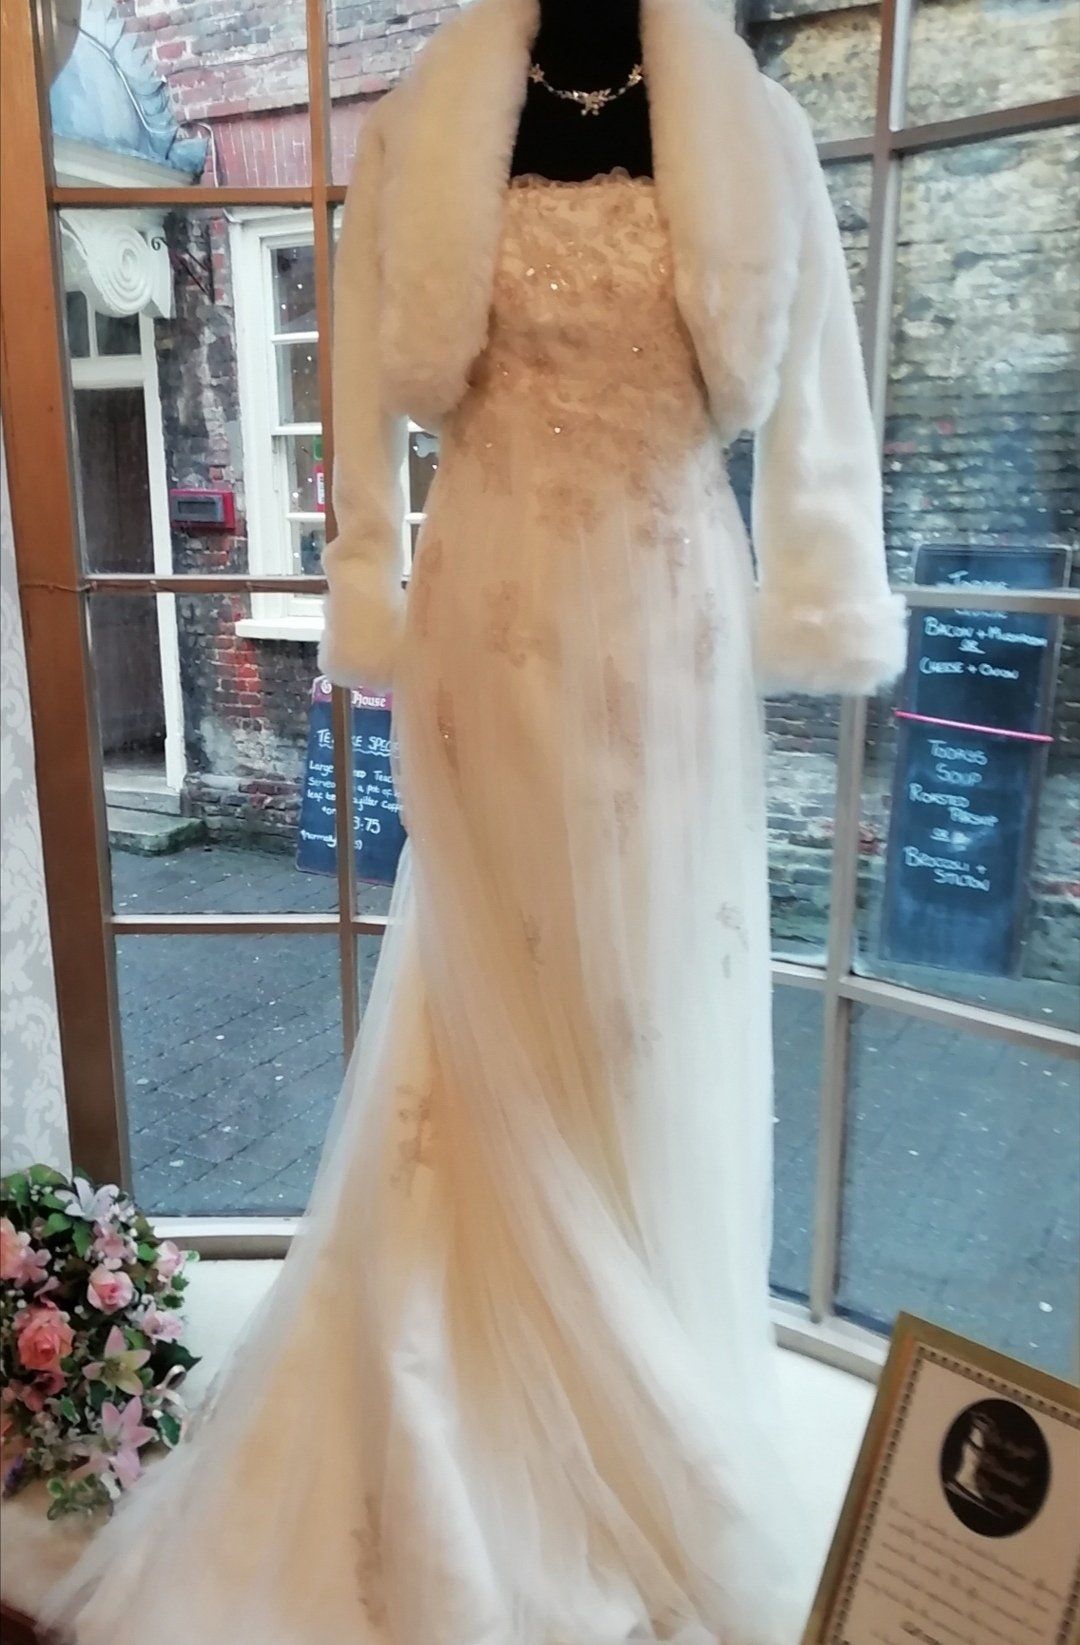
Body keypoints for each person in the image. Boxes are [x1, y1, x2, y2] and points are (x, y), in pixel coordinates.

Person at [39, 0, 907, 1639]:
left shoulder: (749, 125)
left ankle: (640, 1366)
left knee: (643, 1010)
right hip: (489, 612)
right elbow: (365, 396)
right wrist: (364, 571)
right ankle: (464, 1376)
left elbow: (823, 404)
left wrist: (822, 581)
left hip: (665, 623)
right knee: (482, 987)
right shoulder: (433, 120)